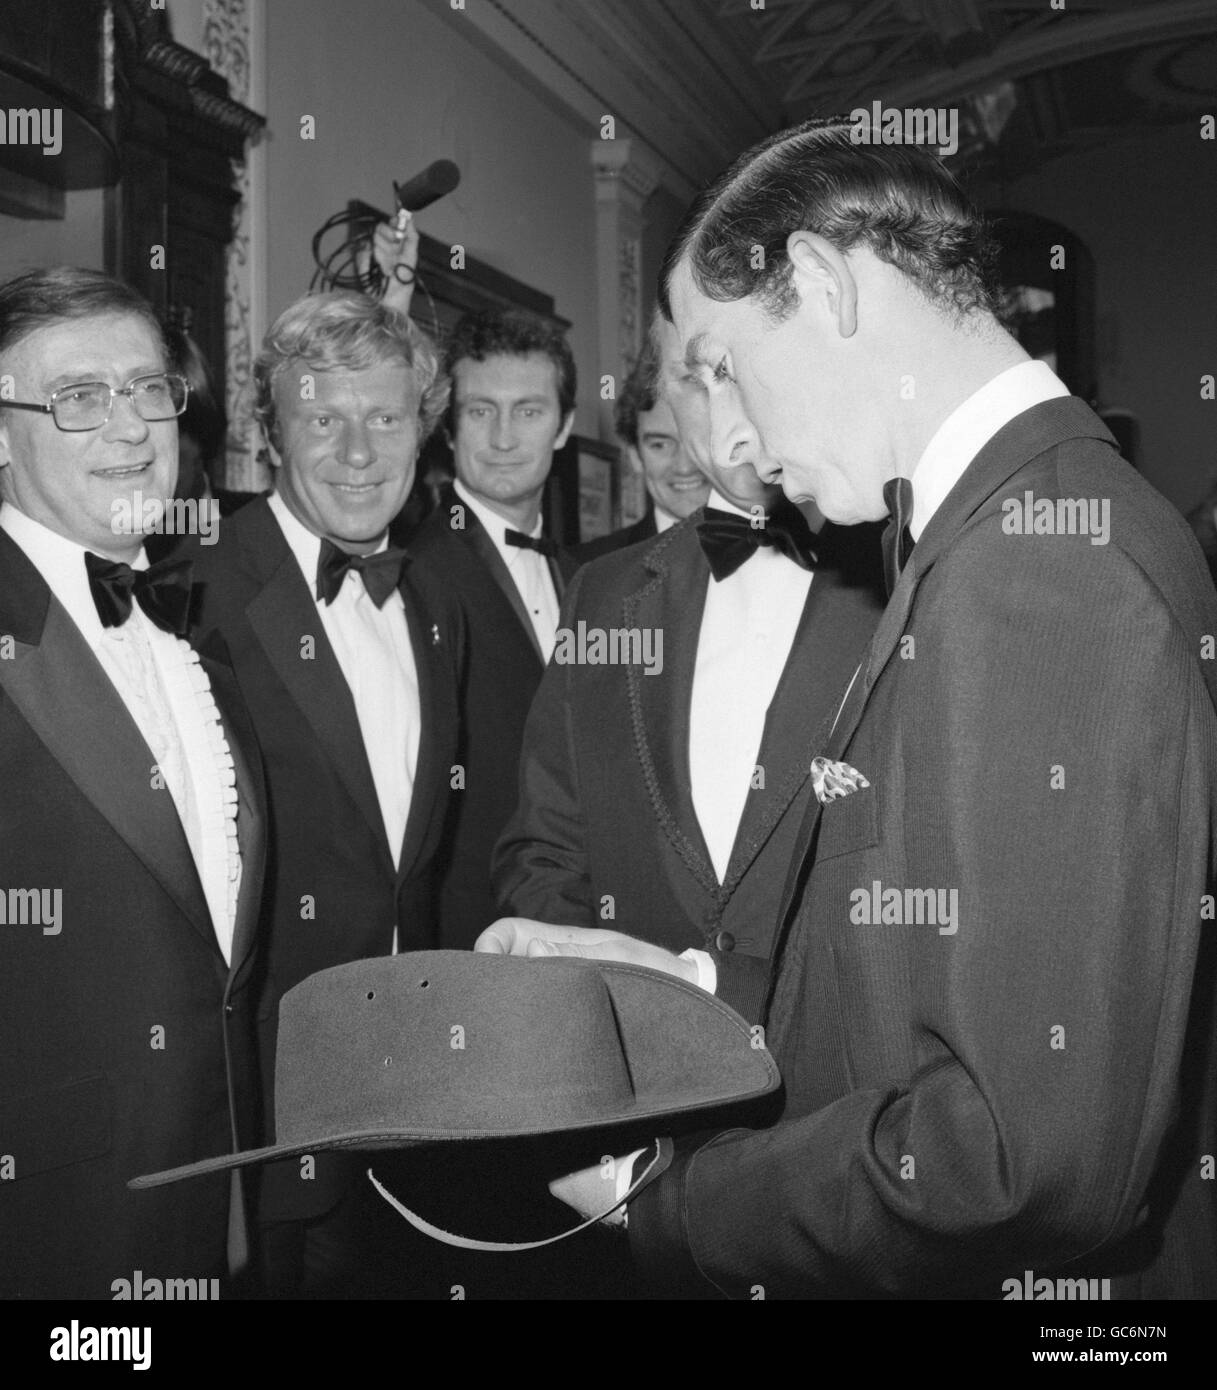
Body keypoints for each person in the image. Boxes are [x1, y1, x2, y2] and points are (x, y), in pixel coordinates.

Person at [481, 119, 1217, 1299]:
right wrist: (689, 983)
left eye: (721, 362)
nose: (726, 432)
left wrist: (669, 1202)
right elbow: (933, 970)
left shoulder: (1034, 565)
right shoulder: (1004, 523)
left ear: (821, 284)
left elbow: (1022, 1160)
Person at [184, 290, 462, 1296]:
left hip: (412, 1090)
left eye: (384, 417)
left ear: (421, 431)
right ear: (270, 436)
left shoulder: (435, 600)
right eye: (321, 419)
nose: (357, 450)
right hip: (270, 1097)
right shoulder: (192, 599)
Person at [0, 266, 267, 1299]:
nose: (131, 426)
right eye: (78, 397)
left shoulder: (189, 634)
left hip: (221, 1196)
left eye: (149, 388)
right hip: (56, 1224)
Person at [494, 309, 884, 973]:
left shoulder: (906, 582)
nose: (736, 418)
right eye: (700, 380)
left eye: (755, 375)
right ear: (663, 397)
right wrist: (600, 998)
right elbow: (547, 843)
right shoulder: (606, 594)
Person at [407, 308, 580, 948]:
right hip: (463, 934)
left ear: (563, 427)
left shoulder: (587, 575)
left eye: (529, 411)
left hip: (574, 921)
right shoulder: (413, 574)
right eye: (480, 411)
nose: (503, 437)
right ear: (448, 430)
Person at [574, 327, 709, 561]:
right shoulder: (591, 568)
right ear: (635, 456)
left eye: (699, 440)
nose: (685, 466)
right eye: (659, 445)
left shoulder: (781, 551)